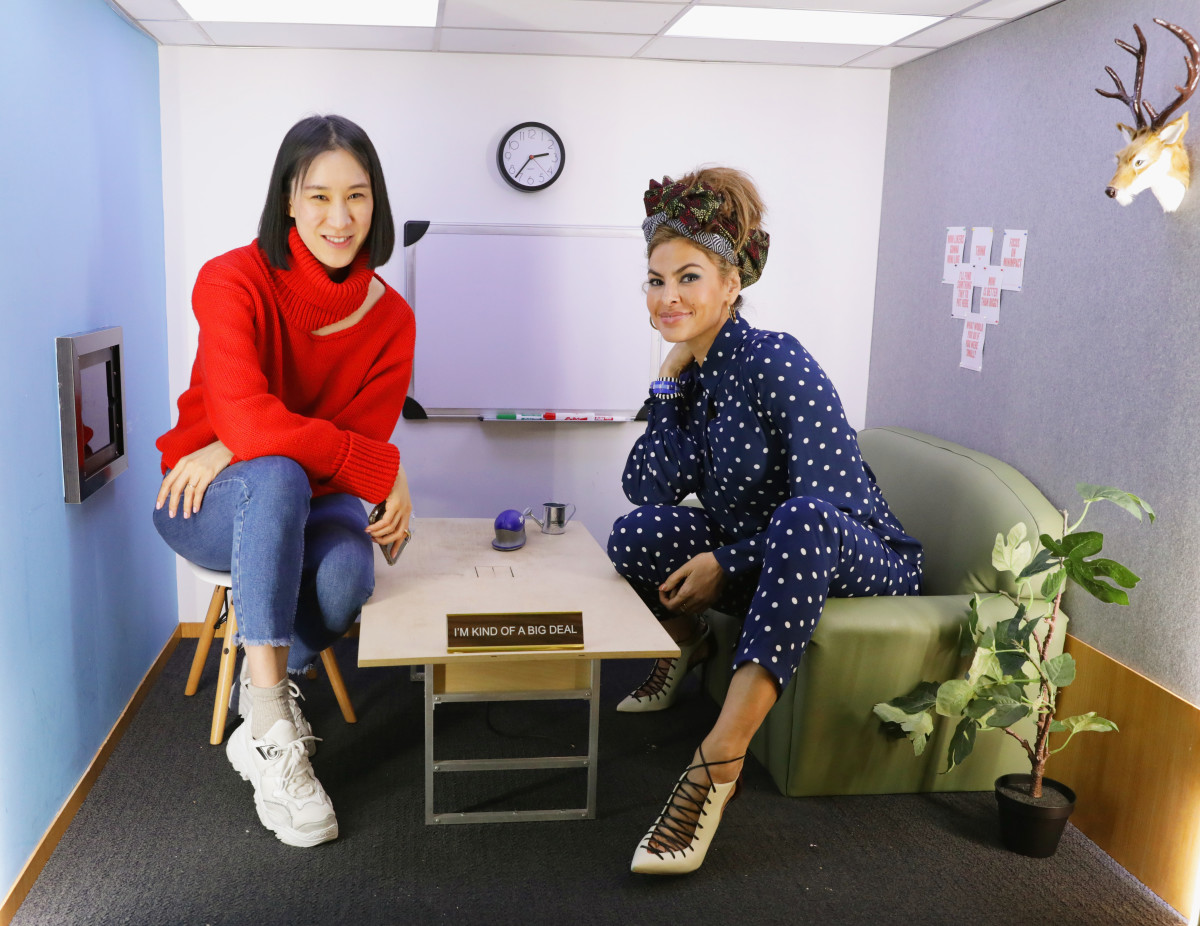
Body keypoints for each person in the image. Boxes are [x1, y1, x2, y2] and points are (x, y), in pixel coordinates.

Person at [608, 168, 923, 874]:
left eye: (687, 278)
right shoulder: (694, 377)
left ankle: (717, 763)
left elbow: (828, 506)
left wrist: (728, 562)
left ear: (731, 283)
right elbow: (644, 485)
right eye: (655, 282)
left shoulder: (777, 361)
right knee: (636, 534)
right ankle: (684, 641)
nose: (667, 297)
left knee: (802, 518)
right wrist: (666, 383)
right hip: (762, 557)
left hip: (856, 554)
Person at [153, 114, 415, 848]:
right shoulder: (231, 278)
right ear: (288, 201)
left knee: (345, 582)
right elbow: (271, 432)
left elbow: (351, 436)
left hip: (312, 495)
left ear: (377, 202)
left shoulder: (392, 319)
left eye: (357, 196)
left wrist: (243, 438)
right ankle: (268, 720)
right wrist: (242, 446)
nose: (340, 217)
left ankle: (268, 688)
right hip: (201, 495)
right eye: (319, 196)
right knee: (272, 475)